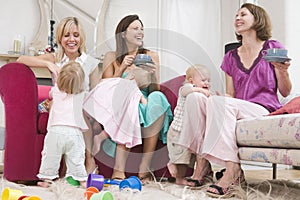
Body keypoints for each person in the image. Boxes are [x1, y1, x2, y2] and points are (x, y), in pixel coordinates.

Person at [177, 3, 292, 198]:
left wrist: (282, 70)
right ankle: (202, 164)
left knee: (216, 103)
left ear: (257, 19)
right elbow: (231, 94)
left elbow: (285, 91)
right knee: (196, 98)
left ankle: (233, 170)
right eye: (236, 15)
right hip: (238, 106)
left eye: (243, 14)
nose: (237, 18)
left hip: (263, 108)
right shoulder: (230, 57)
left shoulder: (273, 48)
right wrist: (217, 99)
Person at [90, 14, 173, 182]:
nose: (140, 32)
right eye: (135, 28)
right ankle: (119, 168)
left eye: (141, 29)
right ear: (123, 34)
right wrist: (121, 67)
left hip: (144, 101)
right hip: (119, 99)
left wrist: (153, 74)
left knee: (158, 98)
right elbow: (105, 87)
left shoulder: (152, 56)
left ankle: (145, 165)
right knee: (128, 99)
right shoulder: (111, 56)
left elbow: (155, 89)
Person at [17, 17, 101, 174]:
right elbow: (21, 59)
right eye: (66, 35)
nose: (71, 39)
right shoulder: (54, 58)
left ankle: (89, 159)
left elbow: (96, 94)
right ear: (60, 38)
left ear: (81, 37)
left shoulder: (90, 62)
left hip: (83, 108)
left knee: (80, 109)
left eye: (75, 35)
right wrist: (48, 64)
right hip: (60, 106)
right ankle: (58, 165)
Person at [37, 61, 88, 188]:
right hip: (74, 132)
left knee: (50, 156)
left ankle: (47, 179)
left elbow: (50, 95)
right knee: (77, 158)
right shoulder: (82, 95)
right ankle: (81, 179)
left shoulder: (55, 91)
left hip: (55, 130)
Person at [166, 64, 212, 186]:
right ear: (191, 80)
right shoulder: (187, 88)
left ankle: (185, 175)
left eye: (208, 80)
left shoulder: (202, 93)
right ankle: (174, 168)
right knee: (180, 157)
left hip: (188, 132)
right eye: (203, 80)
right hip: (177, 131)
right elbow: (185, 91)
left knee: (187, 158)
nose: (207, 83)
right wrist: (200, 90)